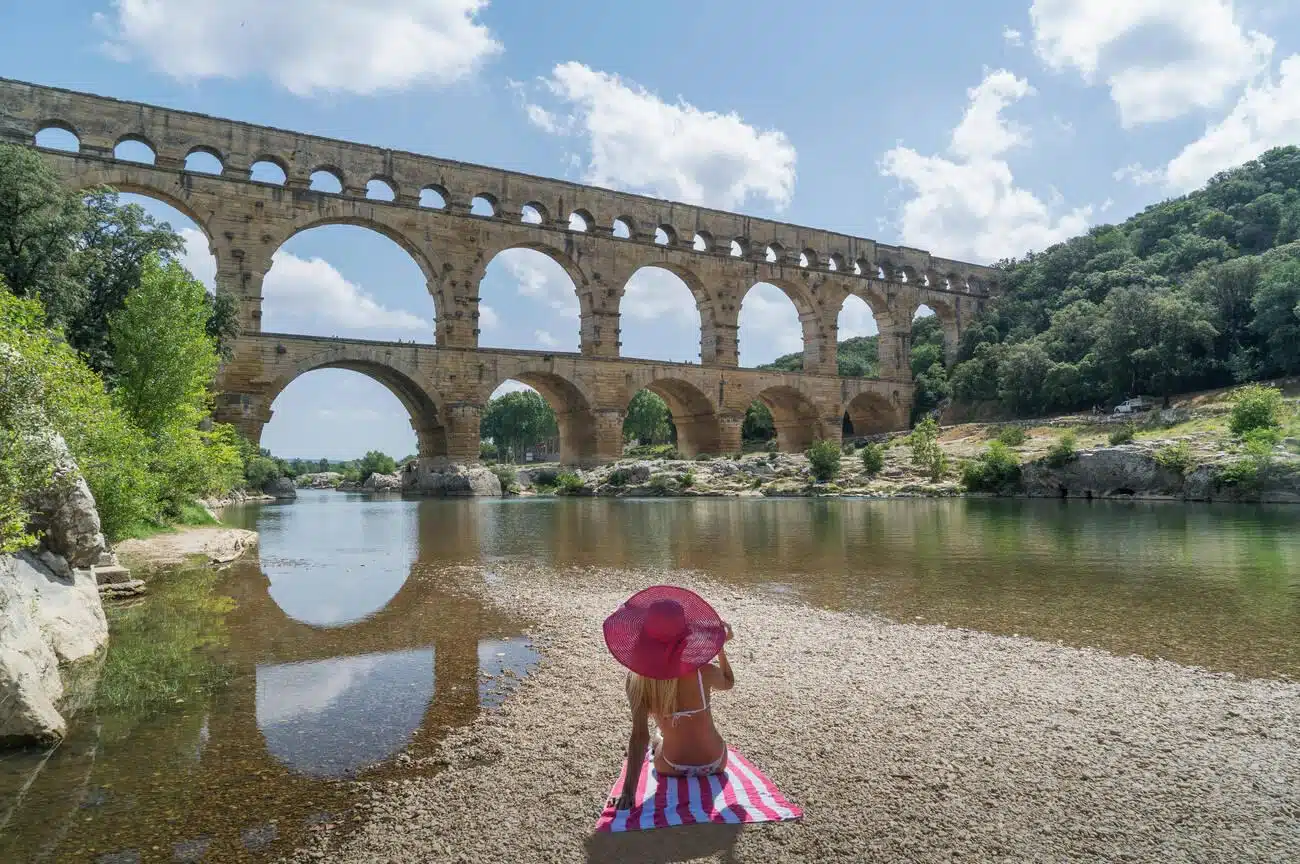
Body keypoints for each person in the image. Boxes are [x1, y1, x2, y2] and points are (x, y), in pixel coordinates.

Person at [601, 585, 735, 811]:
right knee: (662, 737)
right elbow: (728, 682)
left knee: (654, 739)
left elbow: (638, 737)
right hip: (716, 762)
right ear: (685, 637)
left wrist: (628, 793)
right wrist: (720, 647)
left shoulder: (638, 681)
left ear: (643, 636)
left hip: (671, 766)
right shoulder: (703, 672)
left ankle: (662, 741)